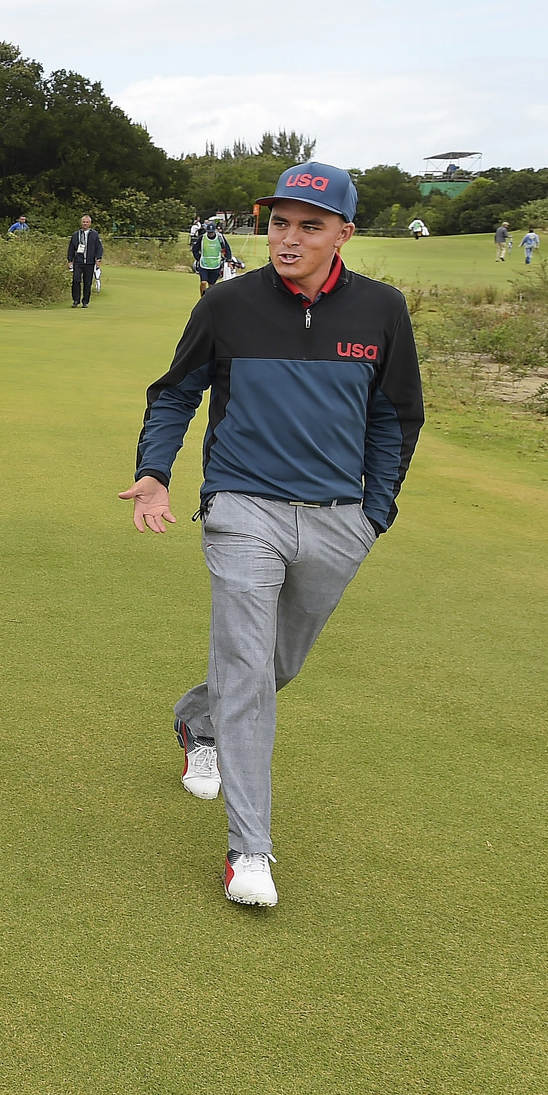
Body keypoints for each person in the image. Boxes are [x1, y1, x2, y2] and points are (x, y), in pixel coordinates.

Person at [119, 161, 424, 909]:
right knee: (249, 670)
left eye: (309, 226)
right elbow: (175, 394)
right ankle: (249, 850)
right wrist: (156, 472)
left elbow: (395, 417)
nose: (287, 239)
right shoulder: (227, 305)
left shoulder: (382, 309)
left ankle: (197, 720)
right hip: (241, 510)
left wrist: (372, 514)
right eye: (279, 223)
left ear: (344, 233)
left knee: (276, 665)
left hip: (336, 518)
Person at [66, 214, 103, 307]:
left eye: (87, 222)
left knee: (87, 282)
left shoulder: (94, 234)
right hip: (78, 262)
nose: (85, 224)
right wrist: (70, 260)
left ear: (90, 223)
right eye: (83, 222)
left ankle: (85, 301)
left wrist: (98, 259)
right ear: (81, 223)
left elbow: (99, 248)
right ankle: (76, 300)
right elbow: (71, 248)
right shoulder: (76, 235)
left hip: (89, 262)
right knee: (76, 280)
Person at [192, 218, 231, 295]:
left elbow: (226, 248)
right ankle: (202, 298)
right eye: (209, 233)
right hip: (203, 264)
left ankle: (208, 299)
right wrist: (198, 258)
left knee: (211, 285)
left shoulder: (220, 238)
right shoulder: (202, 238)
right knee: (203, 282)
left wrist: (229, 260)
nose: (210, 234)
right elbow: (195, 249)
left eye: (212, 232)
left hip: (215, 265)